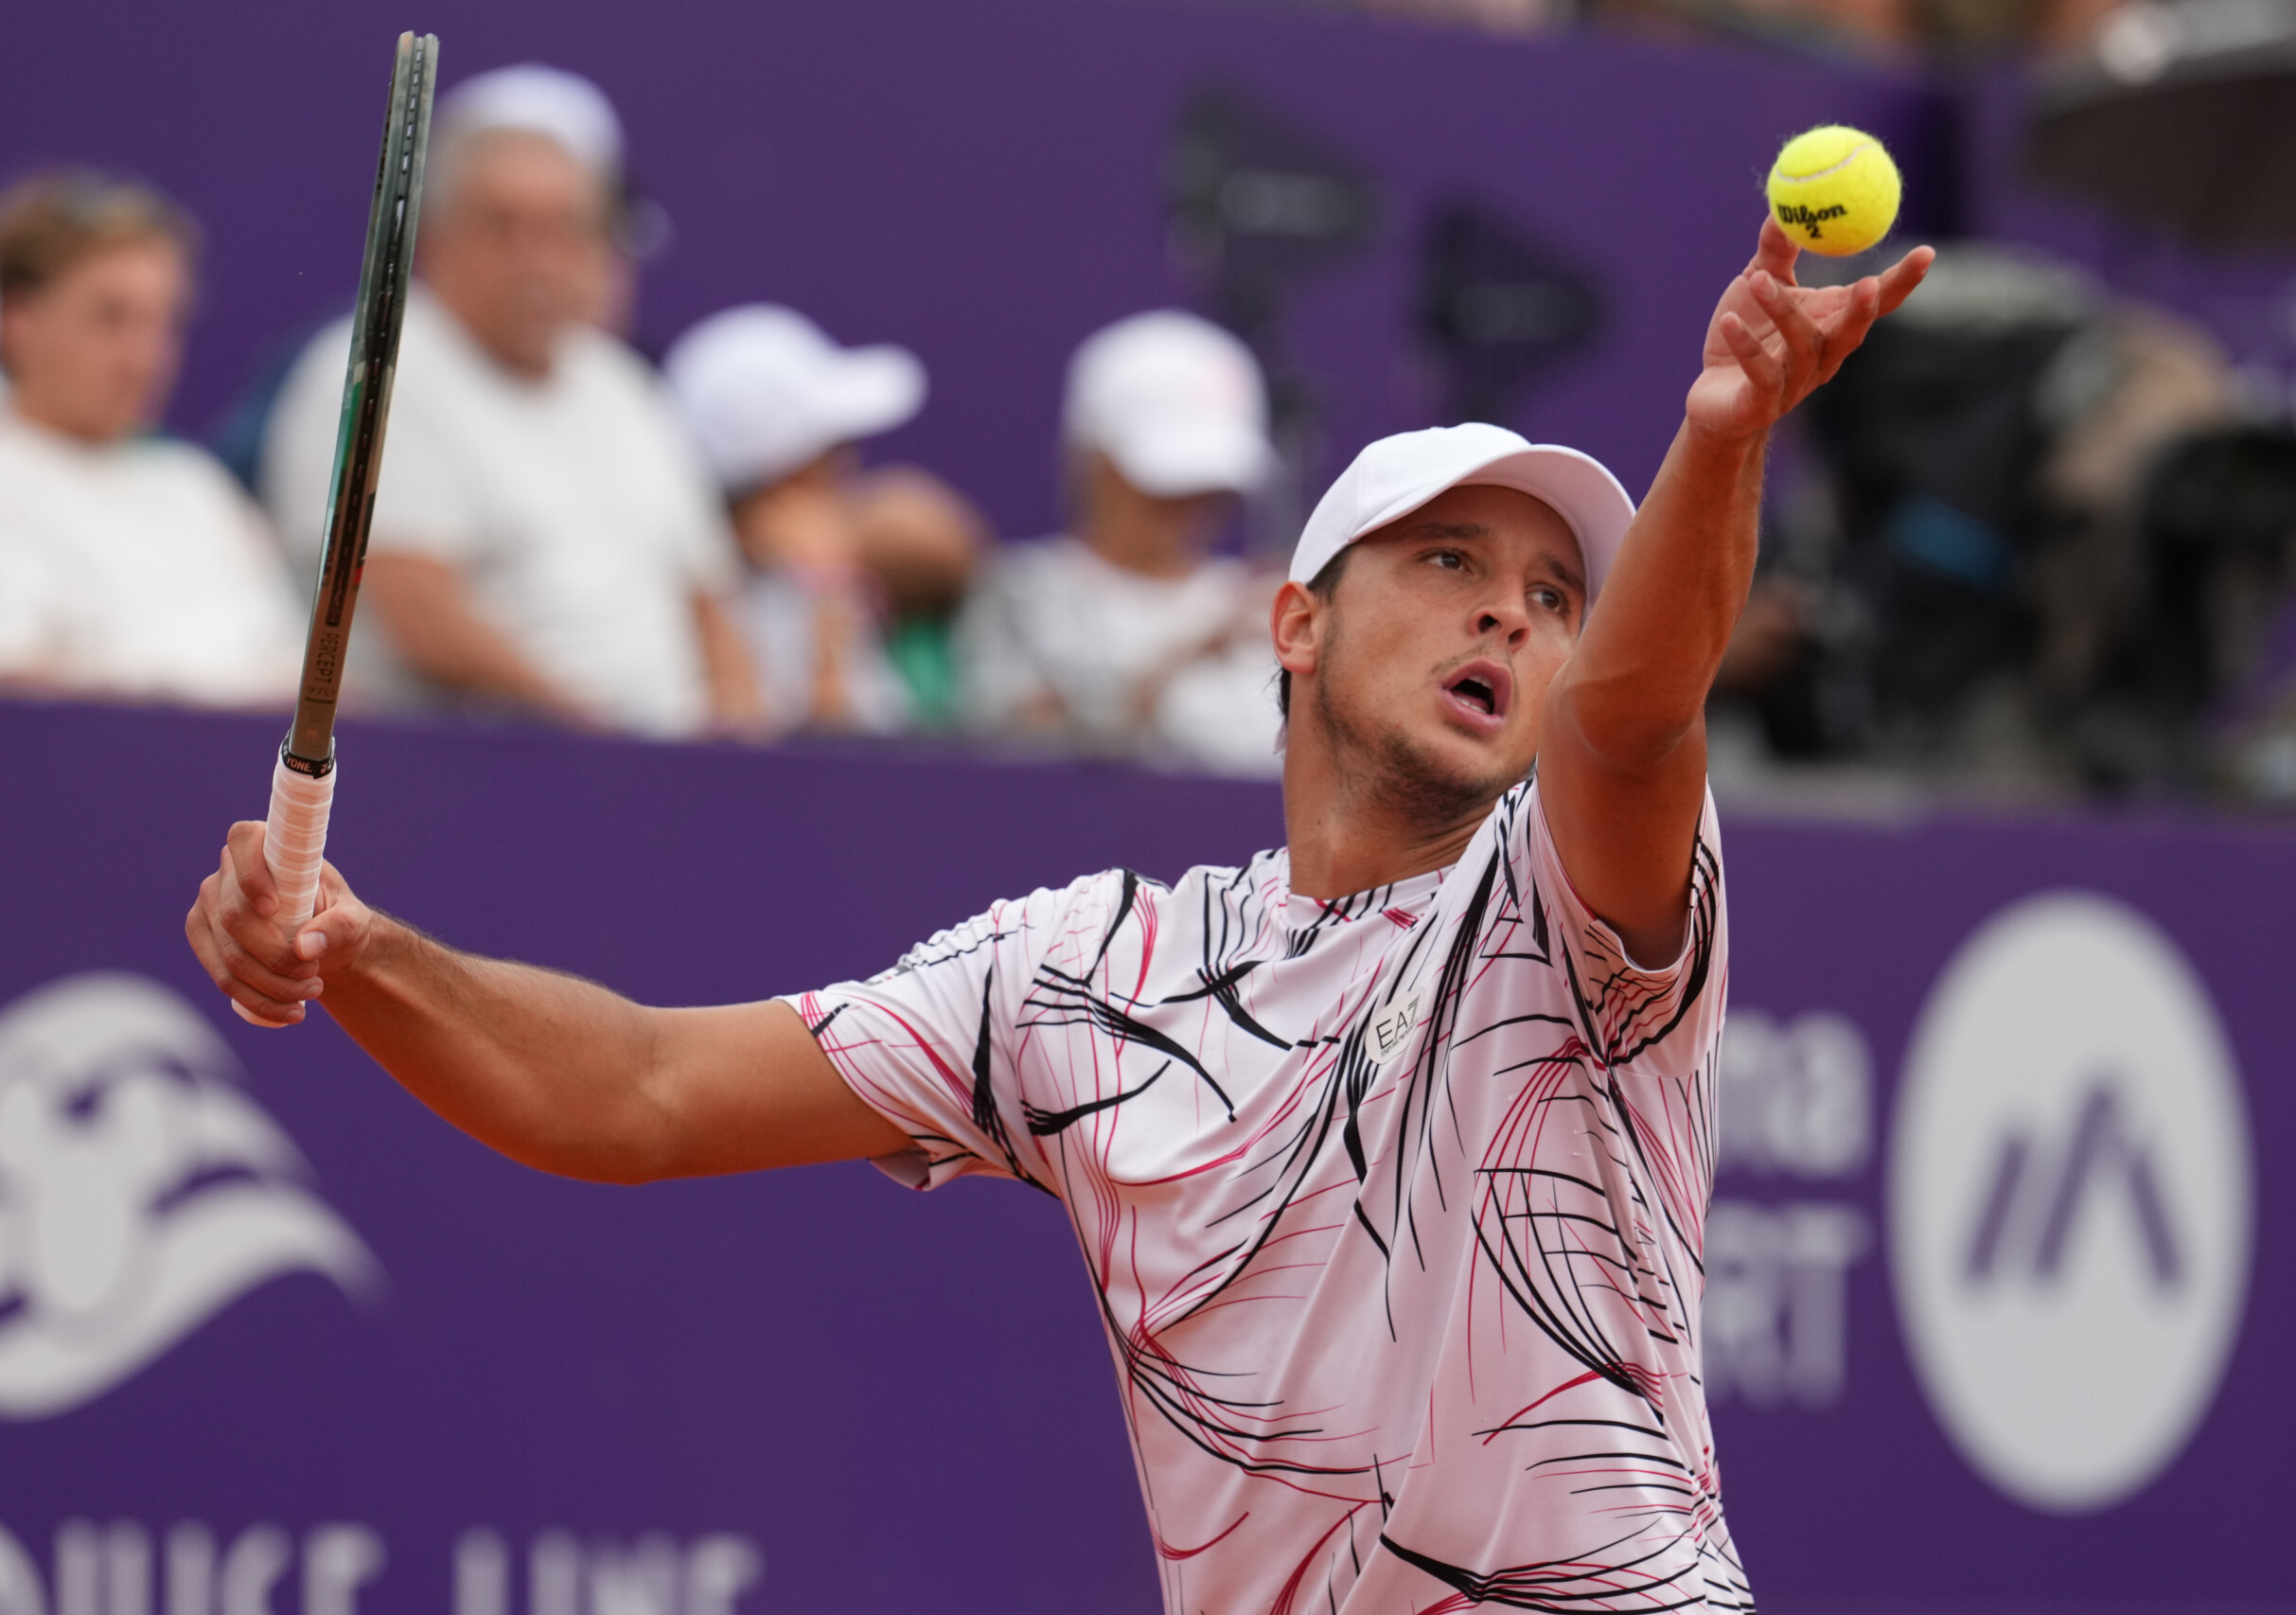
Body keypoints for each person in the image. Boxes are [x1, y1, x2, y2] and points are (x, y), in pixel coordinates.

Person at [188, 220, 1931, 1614]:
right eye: (1448, 565)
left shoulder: (1571, 908)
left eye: (1555, 596)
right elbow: (636, 1091)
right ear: (1296, 625)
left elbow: (1637, 717)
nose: (1511, 621)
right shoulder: (1087, 978)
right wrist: (361, 949)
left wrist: (1720, 442)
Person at [257, 64, 757, 739]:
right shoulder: (371, 373)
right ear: (435, 239)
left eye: (565, 228)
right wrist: (598, 742)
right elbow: (417, 610)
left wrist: (735, 746)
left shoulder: (623, 385)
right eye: (503, 225)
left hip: (662, 768)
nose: (538, 259)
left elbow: (708, 597)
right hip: (481, 775)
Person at [0, 171, 300, 706]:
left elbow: (297, 681)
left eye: (161, 323)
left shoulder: (197, 489)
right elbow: (20, 681)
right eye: (109, 319)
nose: (142, 360)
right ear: (18, 322)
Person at [956, 310, 1283, 773]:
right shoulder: (1021, 593)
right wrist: (1183, 660)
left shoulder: (1267, 609)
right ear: (1094, 460)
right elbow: (1026, 757)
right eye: (1167, 484)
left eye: (1208, 483)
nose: (1192, 503)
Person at [662, 303, 987, 734]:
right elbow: (808, 772)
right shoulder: (700, 602)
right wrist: (829, 602)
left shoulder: (827, 567)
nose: (846, 464)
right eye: (829, 450)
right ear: (780, 476)